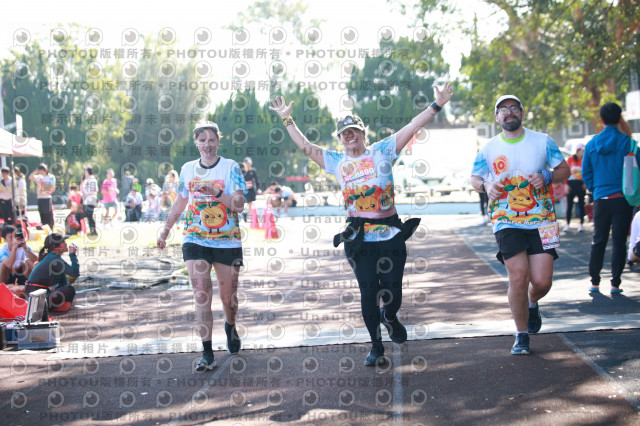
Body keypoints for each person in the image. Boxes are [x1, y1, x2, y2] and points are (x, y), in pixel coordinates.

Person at [269, 82, 452, 366]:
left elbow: (412, 126)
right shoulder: (336, 162)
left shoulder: (383, 151)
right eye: (344, 133)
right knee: (368, 292)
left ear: (363, 134)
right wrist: (286, 119)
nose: (349, 135)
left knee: (392, 291)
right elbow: (306, 146)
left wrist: (437, 105)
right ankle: (376, 345)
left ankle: (390, 316)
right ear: (340, 139)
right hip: (358, 239)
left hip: (390, 235)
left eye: (354, 131)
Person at [470, 94, 570, 355]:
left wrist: (546, 175)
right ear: (497, 117)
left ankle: (532, 301)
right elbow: (475, 178)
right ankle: (521, 335)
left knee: (542, 282)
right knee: (518, 276)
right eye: (503, 109)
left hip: (544, 219)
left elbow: (565, 171)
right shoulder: (489, 148)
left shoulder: (543, 141)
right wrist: (486, 185)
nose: (509, 112)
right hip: (505, 219)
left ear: (522, 113)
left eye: (513, 107)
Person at [157, 120, 247, 372]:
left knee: (228, 297)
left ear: (218, 141)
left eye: (212, 140)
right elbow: (180, 201)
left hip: (227, 239)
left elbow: (239, 205)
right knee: (201, 292)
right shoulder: (187, 169)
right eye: (202, 140)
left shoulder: (230, 167)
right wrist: (166, 229)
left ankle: (230, 325)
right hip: (194, 237)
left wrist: (216, 192)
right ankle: (207, 353)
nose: (207, 145)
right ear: (196, 143)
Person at [582, 102, 640, 295]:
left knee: (598, 240)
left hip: (601, 198)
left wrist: (595, 190)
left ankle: (594, 282)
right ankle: (615, 283)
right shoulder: (630, 144)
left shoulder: (591, 144)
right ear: (620, 119)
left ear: (601, 120)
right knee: (619, 242)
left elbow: (586, 172)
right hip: (623, 199)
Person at [26, 233, 79, 312]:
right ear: (55, 246)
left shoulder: (53, 257)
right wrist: (72, 255)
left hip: (40, 295)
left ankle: (57, 307)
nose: (66, 244)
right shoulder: (54, 259)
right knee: (69, 289)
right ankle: (52, 308)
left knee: (67, 288)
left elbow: (63, 283)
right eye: (63, 242)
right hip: (36, 297)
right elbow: (75, 273)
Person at [563, 143, 586, 232]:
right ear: (578, 150)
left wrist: (585, 183)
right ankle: (567, 224)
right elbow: (566, 172)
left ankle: (581, 224)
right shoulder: (570, 159)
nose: (583, 152)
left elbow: (586, 172)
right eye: (582, 150)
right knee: (569, 205)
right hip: (571, 184)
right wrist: (566, 184)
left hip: (581, 184)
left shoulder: (584, 159)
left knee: (581, 204)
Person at [28, 163, 55, 229]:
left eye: (42, 171)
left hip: (47, 198)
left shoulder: (51, 177)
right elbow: (30, 177)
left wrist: (43, 185)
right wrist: (36, 171)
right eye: (40, 171)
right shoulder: (39, 177)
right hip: (40, 198)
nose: (41, 172)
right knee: (42, 213)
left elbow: (52, 189)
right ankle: (44, 226)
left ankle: (50, 226)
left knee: (48, 213)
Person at [80, 167, 99, 236]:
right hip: (86, 200)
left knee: (89, 215)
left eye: (86, 172)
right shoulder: (86, 180)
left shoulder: (92, 179)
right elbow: (82, 189)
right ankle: (92, 230)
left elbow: (95, 190)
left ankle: (93, 230)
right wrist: (82, 181)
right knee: (88, 216)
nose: (85, 173)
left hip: (91, 199)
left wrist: (87, 194)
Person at [241, 157, 260, 222]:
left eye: (248, 163)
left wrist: (258, 188)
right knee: (246, 202)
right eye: (246, 163)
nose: (247, 164)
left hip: (251, 189)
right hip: (244, 190)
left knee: (251, 203)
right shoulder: (241, 171)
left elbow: (256, 180)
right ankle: (246, 214)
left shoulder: (253, 171)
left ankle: (247, 214)